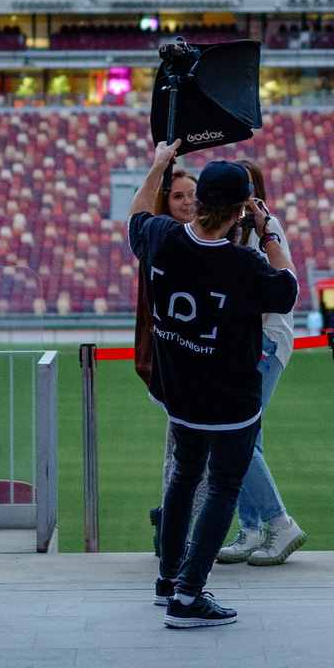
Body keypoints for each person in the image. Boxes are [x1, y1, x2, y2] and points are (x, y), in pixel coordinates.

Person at [128, 145, 299, 628]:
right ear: (241, 209)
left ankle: (167, 580)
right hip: (229, 401)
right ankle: (188, 593)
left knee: (184, 479)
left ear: (199, 199)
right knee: (222, 488)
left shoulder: (162, 238)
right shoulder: (242, 266)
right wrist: (270, 233)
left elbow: (137, 214)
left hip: (180, 394)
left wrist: (160, 164)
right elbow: (288, 287)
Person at [215, 162, 307, 568]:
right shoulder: (237, 231)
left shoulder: (265, 231)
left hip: (264, 343)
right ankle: (252, 528)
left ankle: (278, 522)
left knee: (238, 437)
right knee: (249, 438)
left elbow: (277, 291)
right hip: (251, 342)